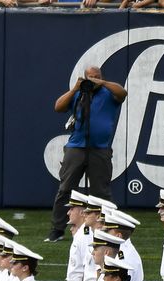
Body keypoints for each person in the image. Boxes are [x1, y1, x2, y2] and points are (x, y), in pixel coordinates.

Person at [48, 65, 127, 242]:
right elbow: (58, 107)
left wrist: (103, 82)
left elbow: (122, 93)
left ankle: (107, 226)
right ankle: (57, 229)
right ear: (84, 78)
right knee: (66, 188)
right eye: (90, 77)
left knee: (101, 191)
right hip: (76, 146)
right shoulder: (78, 92)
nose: (93, 80)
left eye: (96, 76)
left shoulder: (108, 92)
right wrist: (76, 88)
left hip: (100, 148)